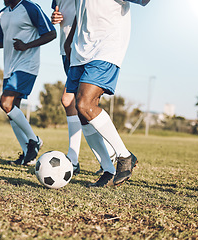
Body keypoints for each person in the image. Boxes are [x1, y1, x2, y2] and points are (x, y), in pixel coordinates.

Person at [0, 0, 56, 165]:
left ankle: (34, 141)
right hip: (9, 68)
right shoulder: (3, 13)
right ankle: (27, 155)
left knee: (6, 103)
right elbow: (0, 41)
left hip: (27, 66)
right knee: (12, 112)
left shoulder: (30, 8)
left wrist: (27, 46)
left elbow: (51, 33)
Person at [65, 0, 138, 187]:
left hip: (106, 47)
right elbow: (83, 11)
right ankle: (108, 169)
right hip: (80, 49)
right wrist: (70, 38)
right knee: (81, 112)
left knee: (84, 104)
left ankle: (124, 156)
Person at [50, 0, 116, 176]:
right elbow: (62, 14)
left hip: (83, 47)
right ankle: (108, 157)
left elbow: (86, 13)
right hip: (67, 49)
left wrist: (71, 42)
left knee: (78, 103)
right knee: (82, 106)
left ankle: (79, 158)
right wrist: (55, 18)